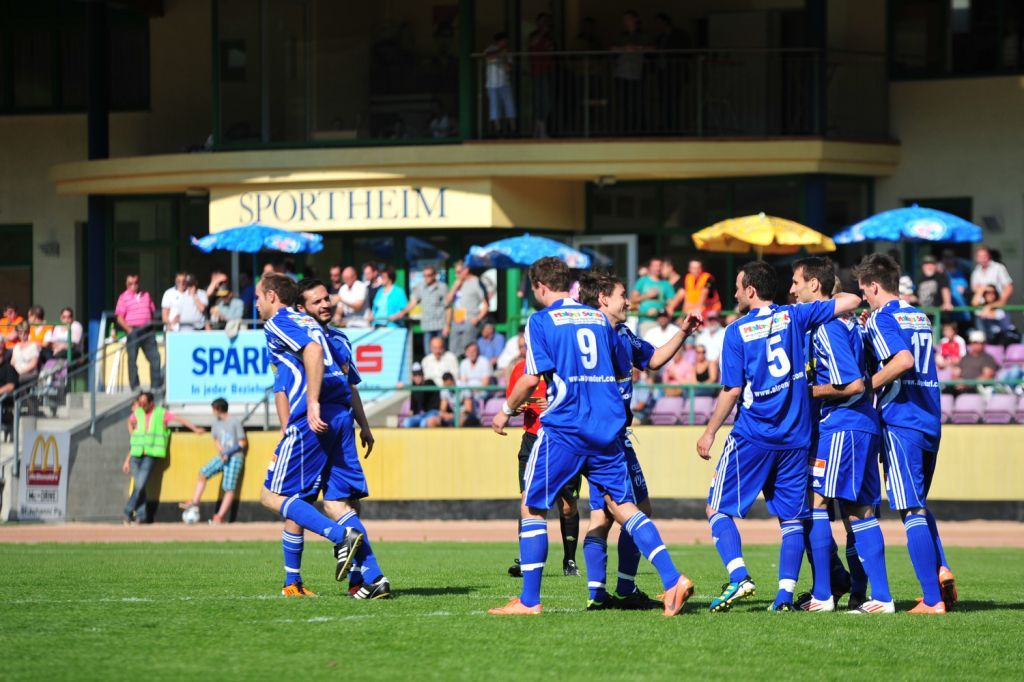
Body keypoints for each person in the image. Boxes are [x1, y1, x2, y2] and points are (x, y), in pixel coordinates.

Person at [488, 257, 694, 617]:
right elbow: (618, 365)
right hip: (608, 430)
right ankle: (672, 579)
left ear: (539, 287)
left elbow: (531, 378)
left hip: (566, 428)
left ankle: (529, 600)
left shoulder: (541, 321)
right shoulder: (600, 321)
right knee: (624, 507)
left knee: (532, 506)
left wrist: (505, 410)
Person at [696, 260, 861, 612]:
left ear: (751, 290)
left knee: (716, 508)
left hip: (753, 434)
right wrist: (818, 300)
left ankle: (739, 576)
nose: (734, 294)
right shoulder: (793, 316)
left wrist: (709, 433)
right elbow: (852, 300)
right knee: (792, 519)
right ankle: (784, 597)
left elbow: (731, 389)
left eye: (738, 288)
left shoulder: (736, 331)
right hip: (795, 438)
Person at [577, 270, 702, 610]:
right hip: (602, 439)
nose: (629, 301)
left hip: (615, 437)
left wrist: (683, 332)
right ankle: (644, 584)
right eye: (622, 295)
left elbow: (653, 358)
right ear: (603, 299)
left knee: (608, 515)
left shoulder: (622, 333)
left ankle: (605, 593)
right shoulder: (593, 335)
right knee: (620, 511)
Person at [255, 273, 369, 597]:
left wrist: (312, 404)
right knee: (307, 498)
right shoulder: (310, 327)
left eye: (259, 297)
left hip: (315, 419)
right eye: (317, 300)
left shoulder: (280, 323)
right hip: (329, 418)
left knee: (276, 496)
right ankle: (305, 580)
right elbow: (282, 383)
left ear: (272, 296)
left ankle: (340, 545)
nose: (257, 304)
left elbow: (314, 356)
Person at [789, 257, 892, 614]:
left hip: (843, 425)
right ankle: (874, 596)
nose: (792, 289)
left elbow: (852, 384)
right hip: (863, 425)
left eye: (796, 282)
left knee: (816, 503)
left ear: (814, 285)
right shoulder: (851, 325)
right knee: (858, 511)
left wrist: (807, 390)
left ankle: (823, 595)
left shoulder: (827, 327)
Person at [856, 252, 957, 613]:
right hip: (929, 417)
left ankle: (932, 600)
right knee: (917, 503)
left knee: (910, 508)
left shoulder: (882, 318)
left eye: (863, 290)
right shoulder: (918, 316)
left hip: (902, 420)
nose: (863, 297)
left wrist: (867, 387)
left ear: (873, 286)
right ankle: (940, 569)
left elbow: (903, 360)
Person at [293, 278, 388, 600]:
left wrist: (365, 425)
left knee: (346, 501)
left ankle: (361, 580)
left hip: (342, 424)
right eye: (316, 301)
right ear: (301, 308)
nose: (325, 305)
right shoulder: (300, 340)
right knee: (298, 499)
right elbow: (284, 387)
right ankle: (293, 579)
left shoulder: (340, 338)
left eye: (326, 299)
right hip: (313, 426)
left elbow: (351, 386)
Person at [504, 348, 582, 579]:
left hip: (562, 441)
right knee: (528, 501)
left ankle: (570, 561)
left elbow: (580, 399)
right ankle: (526, 560)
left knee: (567, 506)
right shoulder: (520, 369)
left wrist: (554, 405)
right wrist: (517, 406)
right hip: (531, 440)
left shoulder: (566, 364)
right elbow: (511, 405)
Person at [122, 391, 205, 524]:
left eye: (144, 403)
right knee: (140, 486)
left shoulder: (161, 413)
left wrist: (195, 429)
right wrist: (129, 451)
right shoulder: (138, 413)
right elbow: (130, 423)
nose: (141, 406)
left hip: (150, 454)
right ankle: (141, 516)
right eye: (140, 403)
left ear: (151, 403)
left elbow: (178, 419)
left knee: (140, 485)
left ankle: (128, 510)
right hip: (136, 454)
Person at [179, 398, 248, 524]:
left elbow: (242, 442)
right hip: (223, 456)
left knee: (229, 487)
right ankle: (195, 502)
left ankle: (219, 516)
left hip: (235, 456)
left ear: (218, 409)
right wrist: (222, 452)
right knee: (203, 472)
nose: (212, 412)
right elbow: (216, 440)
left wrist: (228, 453)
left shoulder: (234, 422)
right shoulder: (216, 423)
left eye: (214, 409)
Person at [115, 274, 161, 392]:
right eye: (130, 283)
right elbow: (119, 318)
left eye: (136, 283)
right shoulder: (123, 297)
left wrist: (152, 324)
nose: (133, 286)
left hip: (147, 330)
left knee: (155, 358)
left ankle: (156, 386)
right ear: (126, 284)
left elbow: (152, 311)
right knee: (132, 359)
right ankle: (135, 387)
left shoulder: (146, 295)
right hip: (133, 330)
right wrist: (129, 329)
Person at [444, 260, 489, 357]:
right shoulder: (457, 283)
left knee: (468, 351)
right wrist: (454, 287)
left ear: (466, 270)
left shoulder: (476, 282)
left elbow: (485, 305)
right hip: (456, 321)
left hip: (469, 321)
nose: (456, 275)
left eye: (459, 272)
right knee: (453, 352)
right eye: (456, 272)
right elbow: (447, 302)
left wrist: (477, 318)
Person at [403, 265, 447, 354]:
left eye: (429, 275)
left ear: (434, 275)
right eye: (424, 275)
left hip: (440, 325)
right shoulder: (420, 286)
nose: (426, 278)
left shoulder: (442, 287)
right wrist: (401, 313)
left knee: (441, 352)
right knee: (428, 353)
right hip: (427, 325)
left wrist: (447, 326)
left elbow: (448, 308)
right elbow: (413, 302)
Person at [527, 13, 556, 138]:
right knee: (540, 100)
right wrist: (542, 33)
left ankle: (538, 130)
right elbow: (533, 43)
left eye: (547, 21)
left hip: (548, 71)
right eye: (543, 21)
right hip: (538, 72)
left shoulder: (549, 37)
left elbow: (552, 50)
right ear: (538, 23)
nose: (546, 24)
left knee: (547, 101)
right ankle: (541, 130)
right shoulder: (533, 35)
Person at [484, 32, 516, 135]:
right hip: (491, 85)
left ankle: (512, 130)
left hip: (504, 83)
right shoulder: (490, 49)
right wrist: (500, 52)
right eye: (504, 41)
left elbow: (509, 68)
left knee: (509, 106)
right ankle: (498, 131)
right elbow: (488, 56)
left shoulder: (508, 52)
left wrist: (504, 58)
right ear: (499, 41)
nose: (505, 43)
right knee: (494, 108)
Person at [631, 258, 674, 333]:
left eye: (660, 265)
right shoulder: (642, 281)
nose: (658, 268)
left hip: (662, 323)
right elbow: (633, 299)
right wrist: (647, 296)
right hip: (645, 321)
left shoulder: (666, 284)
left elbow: (672, 303)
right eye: (655, 266)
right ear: (650, 267)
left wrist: (659, 311)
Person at [950, 330, 999, 395]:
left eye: (979, 342)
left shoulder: (988, 358)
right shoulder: (965, 358)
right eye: (974, 342)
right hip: (961, 388)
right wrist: (959, 382)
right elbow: (955, 374)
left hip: (977, 389)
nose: (976, 345)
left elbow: (987, 376)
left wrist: (968, 384)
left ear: (983, 344)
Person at [403, 363, 442, 428]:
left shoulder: (429, 382)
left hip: (432, 412)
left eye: (419, 374)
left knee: (423, 423)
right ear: (412, 377)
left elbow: (423, 394)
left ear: (423, 375)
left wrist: (405, 386)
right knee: (407, 422)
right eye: (415, 375)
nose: (417, 376)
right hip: (421, 415)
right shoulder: (414, 389)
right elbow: (412, 408)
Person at [458, 341, 493, 409]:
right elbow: (463, 381)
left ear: (478, 352)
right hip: (467, 391)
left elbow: (485, 383)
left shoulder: (484, 362)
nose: (471, 353)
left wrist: (472, 391)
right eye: (469, 351)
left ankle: (466, 412)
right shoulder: (463, 363)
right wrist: (469, 391)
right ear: (466, 353)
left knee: (466, 393)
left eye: (474, 351)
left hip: (482, 391)